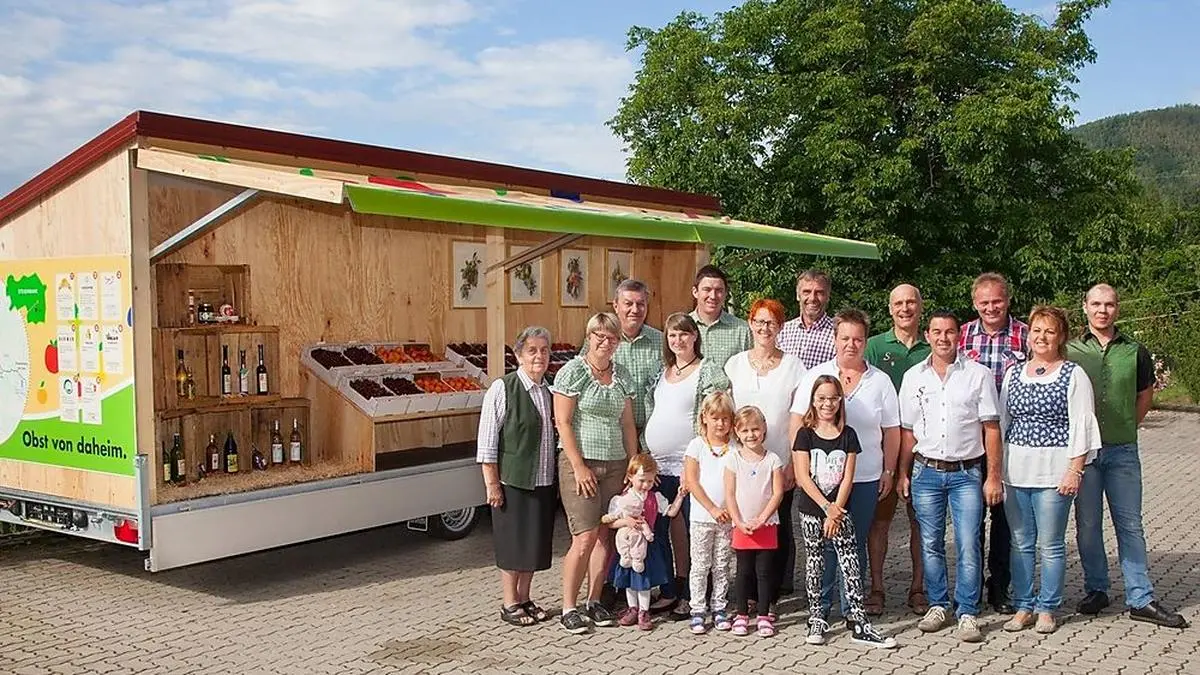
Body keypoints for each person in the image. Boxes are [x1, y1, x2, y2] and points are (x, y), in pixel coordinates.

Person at [1068, 284, 1188, 628]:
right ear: (1085, 307)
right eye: (1096, 304)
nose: (1102, 310)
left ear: (1117, 309)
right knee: (1088, 525)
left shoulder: (1135, 350)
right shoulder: (1073, 350)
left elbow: (1145, 393)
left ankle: (1140, 596)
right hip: (1084, 453)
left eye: (1108, 304)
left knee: (1130, 525)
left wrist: (1128, 426)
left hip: (1122, 450)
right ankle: (1097, 588)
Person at [897, 311, 1002, 643]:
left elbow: (991, 429)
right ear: (927, 335)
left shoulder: (978, 375)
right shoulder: (914, 376)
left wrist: (993, 477)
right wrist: (902, 472)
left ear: (960, 336)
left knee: (969, 543)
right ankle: (939, 604)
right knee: (930, 543)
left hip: (966, 473)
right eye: (937, 332)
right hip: (926, 471)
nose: (943, 338)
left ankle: (968, 611)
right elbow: (907, 432)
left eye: (950, 332)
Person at [789, 309, 900, 624]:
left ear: (866, 342)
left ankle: (852, 608)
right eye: (845, 338)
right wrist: (799, 466)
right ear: (834, 339)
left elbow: (892, 430)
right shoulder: (816, 376)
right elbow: (797, 421)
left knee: (855, 544)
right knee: (823, 546)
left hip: (864, 478)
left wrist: (889, 471)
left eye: (858, 339)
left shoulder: (880, 381)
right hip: (821, 481)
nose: (851, 345)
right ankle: (820, 610)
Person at [1000, 306, 1100, 635]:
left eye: (1049, 331)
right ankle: (1024, 605)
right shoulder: (1014, 373)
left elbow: (1083, 424)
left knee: (1052, 545)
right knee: (1020, 542)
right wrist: (998, 469)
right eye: (1037, 331)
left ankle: (1047, 607)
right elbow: (1003, 422)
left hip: (1054, 472)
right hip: (1016, 471)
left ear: (1061, 337)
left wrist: (1075, 470)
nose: (1042, 337)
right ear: (1028, 334)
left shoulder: (1073, 374)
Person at [794, 375, 898, 649]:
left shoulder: (848, 435)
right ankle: (816, 616)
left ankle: (858, 619)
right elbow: (803, 477)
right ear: (813, 402)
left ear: (840, 401)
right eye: (822, 398)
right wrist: (825, 508)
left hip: (840, 510)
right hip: (812, 510)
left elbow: (847, 477)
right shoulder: (804, 434)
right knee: (816, 561)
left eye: (833, 398)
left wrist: (835, 510)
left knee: (850, 560)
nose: (827, 404)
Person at [553, 312, 640, 634]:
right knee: (585, 535)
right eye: (599, 336)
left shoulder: (623, 376)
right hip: (582, 464)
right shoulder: (573, 372)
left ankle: (594, 600)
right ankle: (568, 606)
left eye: (612, 338)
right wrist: (578, 466)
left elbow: (627, 424)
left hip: (616, 463)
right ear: (589, 337)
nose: (605, 343)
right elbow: (562, 422)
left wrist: (633, 464)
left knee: (606, 535)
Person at [642, 312, 730, 617]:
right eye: (672, 335)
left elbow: (714, 415)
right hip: (658, 465)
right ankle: (669, 588)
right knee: (660, 526)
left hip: (689, 464)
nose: (678, 340)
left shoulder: (707, 371)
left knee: (694, 531)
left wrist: (693, 462)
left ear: (695, 336)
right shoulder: (662, 371)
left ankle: (695, 592)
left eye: (684, 334)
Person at [724, 298, 806, 602]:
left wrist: (794, 463)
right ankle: (747, 585)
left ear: (780, 327)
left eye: (771, 322)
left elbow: (799, 415)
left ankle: (776, 588)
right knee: (746, 517)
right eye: (759, 321)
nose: (764, 328)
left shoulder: (793, 366)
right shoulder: (735, 364)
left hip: (779, 459)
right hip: (743, 461)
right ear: (750, 324)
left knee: (779, 522)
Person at [476, 326, 558, 627]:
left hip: (543, 480)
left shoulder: (549, 390)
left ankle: (525, 597)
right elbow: (487, 443)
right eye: (532, 350)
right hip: (513, 482)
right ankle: (509, 602)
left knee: (533, 544)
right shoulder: (503, 388)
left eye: (544, 350)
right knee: (513, 544)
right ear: (518, 355)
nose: (539, 356)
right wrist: (492, 484)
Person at [959, 272, 1028, 615]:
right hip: (972, 441)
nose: (991, 307)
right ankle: (968, 588)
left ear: (1008, 300)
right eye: (984, 302)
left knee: (1004, 520)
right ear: (975, 304)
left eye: (997, 301)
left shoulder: (1025, 335)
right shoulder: (962, 336)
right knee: (971, 520)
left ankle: (999, 587)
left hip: (1012, 439)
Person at [864, 283, 930, 615]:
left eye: (911, 302)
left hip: (924, 450)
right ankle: (876, 588)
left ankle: (918, 588)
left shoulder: (933, 345)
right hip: (883, 450)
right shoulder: (874, 346)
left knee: (921, 522)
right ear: (890, 309)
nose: (905, 308)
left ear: (920, 306)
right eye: (898, 303)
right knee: (880, 523)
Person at [605, 454, 686, 631]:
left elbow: (670, 512)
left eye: (650, 481)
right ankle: (632, 608)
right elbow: (611, 522)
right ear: (630, 477)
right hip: (627, 546)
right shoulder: (622, 499)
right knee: (629, 580)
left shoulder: (655, 497)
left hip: (646, 546)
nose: (645, 485)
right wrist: (627, 522)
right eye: (642, 480)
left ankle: (644, 610)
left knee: (643, 581)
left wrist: (679, 496)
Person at [725, 406, 785, 638]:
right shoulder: (733, 459)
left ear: (764, 430)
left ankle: (763, 615)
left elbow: (778, 493)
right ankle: (741, 614)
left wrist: (763, 518)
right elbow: (729, 493)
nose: (751, 435)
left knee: (764, 572)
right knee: (743, 572)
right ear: (737, 433)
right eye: (745, 430)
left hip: (766, 525)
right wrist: (738, 521)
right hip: (741, 525)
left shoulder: (773, 460)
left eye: (755, 429)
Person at [682, 390, 738, 635]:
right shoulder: (697, 446)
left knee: (722, 564)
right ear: (704, 417)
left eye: (725, 419)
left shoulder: (735, 448)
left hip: (726, 518)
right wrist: (713, 508)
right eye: (715, 418)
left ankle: (719, 606)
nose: (720, 423)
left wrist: (729, 509)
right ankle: (697, 609)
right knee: (700, 565)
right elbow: (693, 481)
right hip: (702, 518)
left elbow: (740, 482)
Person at [585, 278, 663, 443]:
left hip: (652, 435)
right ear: (615, 305)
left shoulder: (662, 341)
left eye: (641, 304)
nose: (635, 309)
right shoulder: (600, 341)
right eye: (628, 303)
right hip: (613, 436)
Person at [688, 265, 752, 368]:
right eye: (707, 289)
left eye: (719, 290)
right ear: (695, 292)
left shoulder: (742, 330)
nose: (713, 296)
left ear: (726, 293)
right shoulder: (681, 327)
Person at [777, 269, 837, 369]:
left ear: (827, 297)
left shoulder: (838, 333)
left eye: (819, 292)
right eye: (806, 292)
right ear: (797, 295)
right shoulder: (782, 331)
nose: (812, 298)